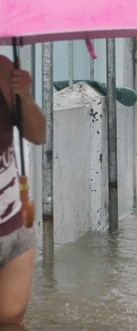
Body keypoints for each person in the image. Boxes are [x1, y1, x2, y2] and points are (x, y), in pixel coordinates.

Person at [0, 56, 46, 326]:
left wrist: (25, 98)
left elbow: (38, 136)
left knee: (11, 321)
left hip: (15, 225)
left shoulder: (4, 69)